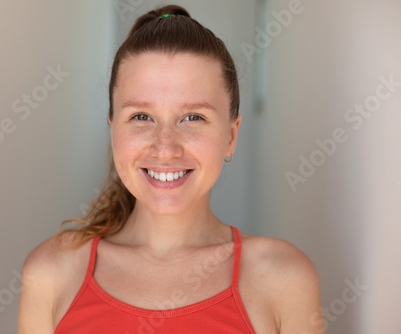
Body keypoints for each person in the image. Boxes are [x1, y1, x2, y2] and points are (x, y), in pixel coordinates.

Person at [18, 5, 324, 334]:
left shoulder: (284, 278)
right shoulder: (50, 273)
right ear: (113, 129)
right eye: (141, 117)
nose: (165, 147)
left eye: (193, 117)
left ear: (231, 136)